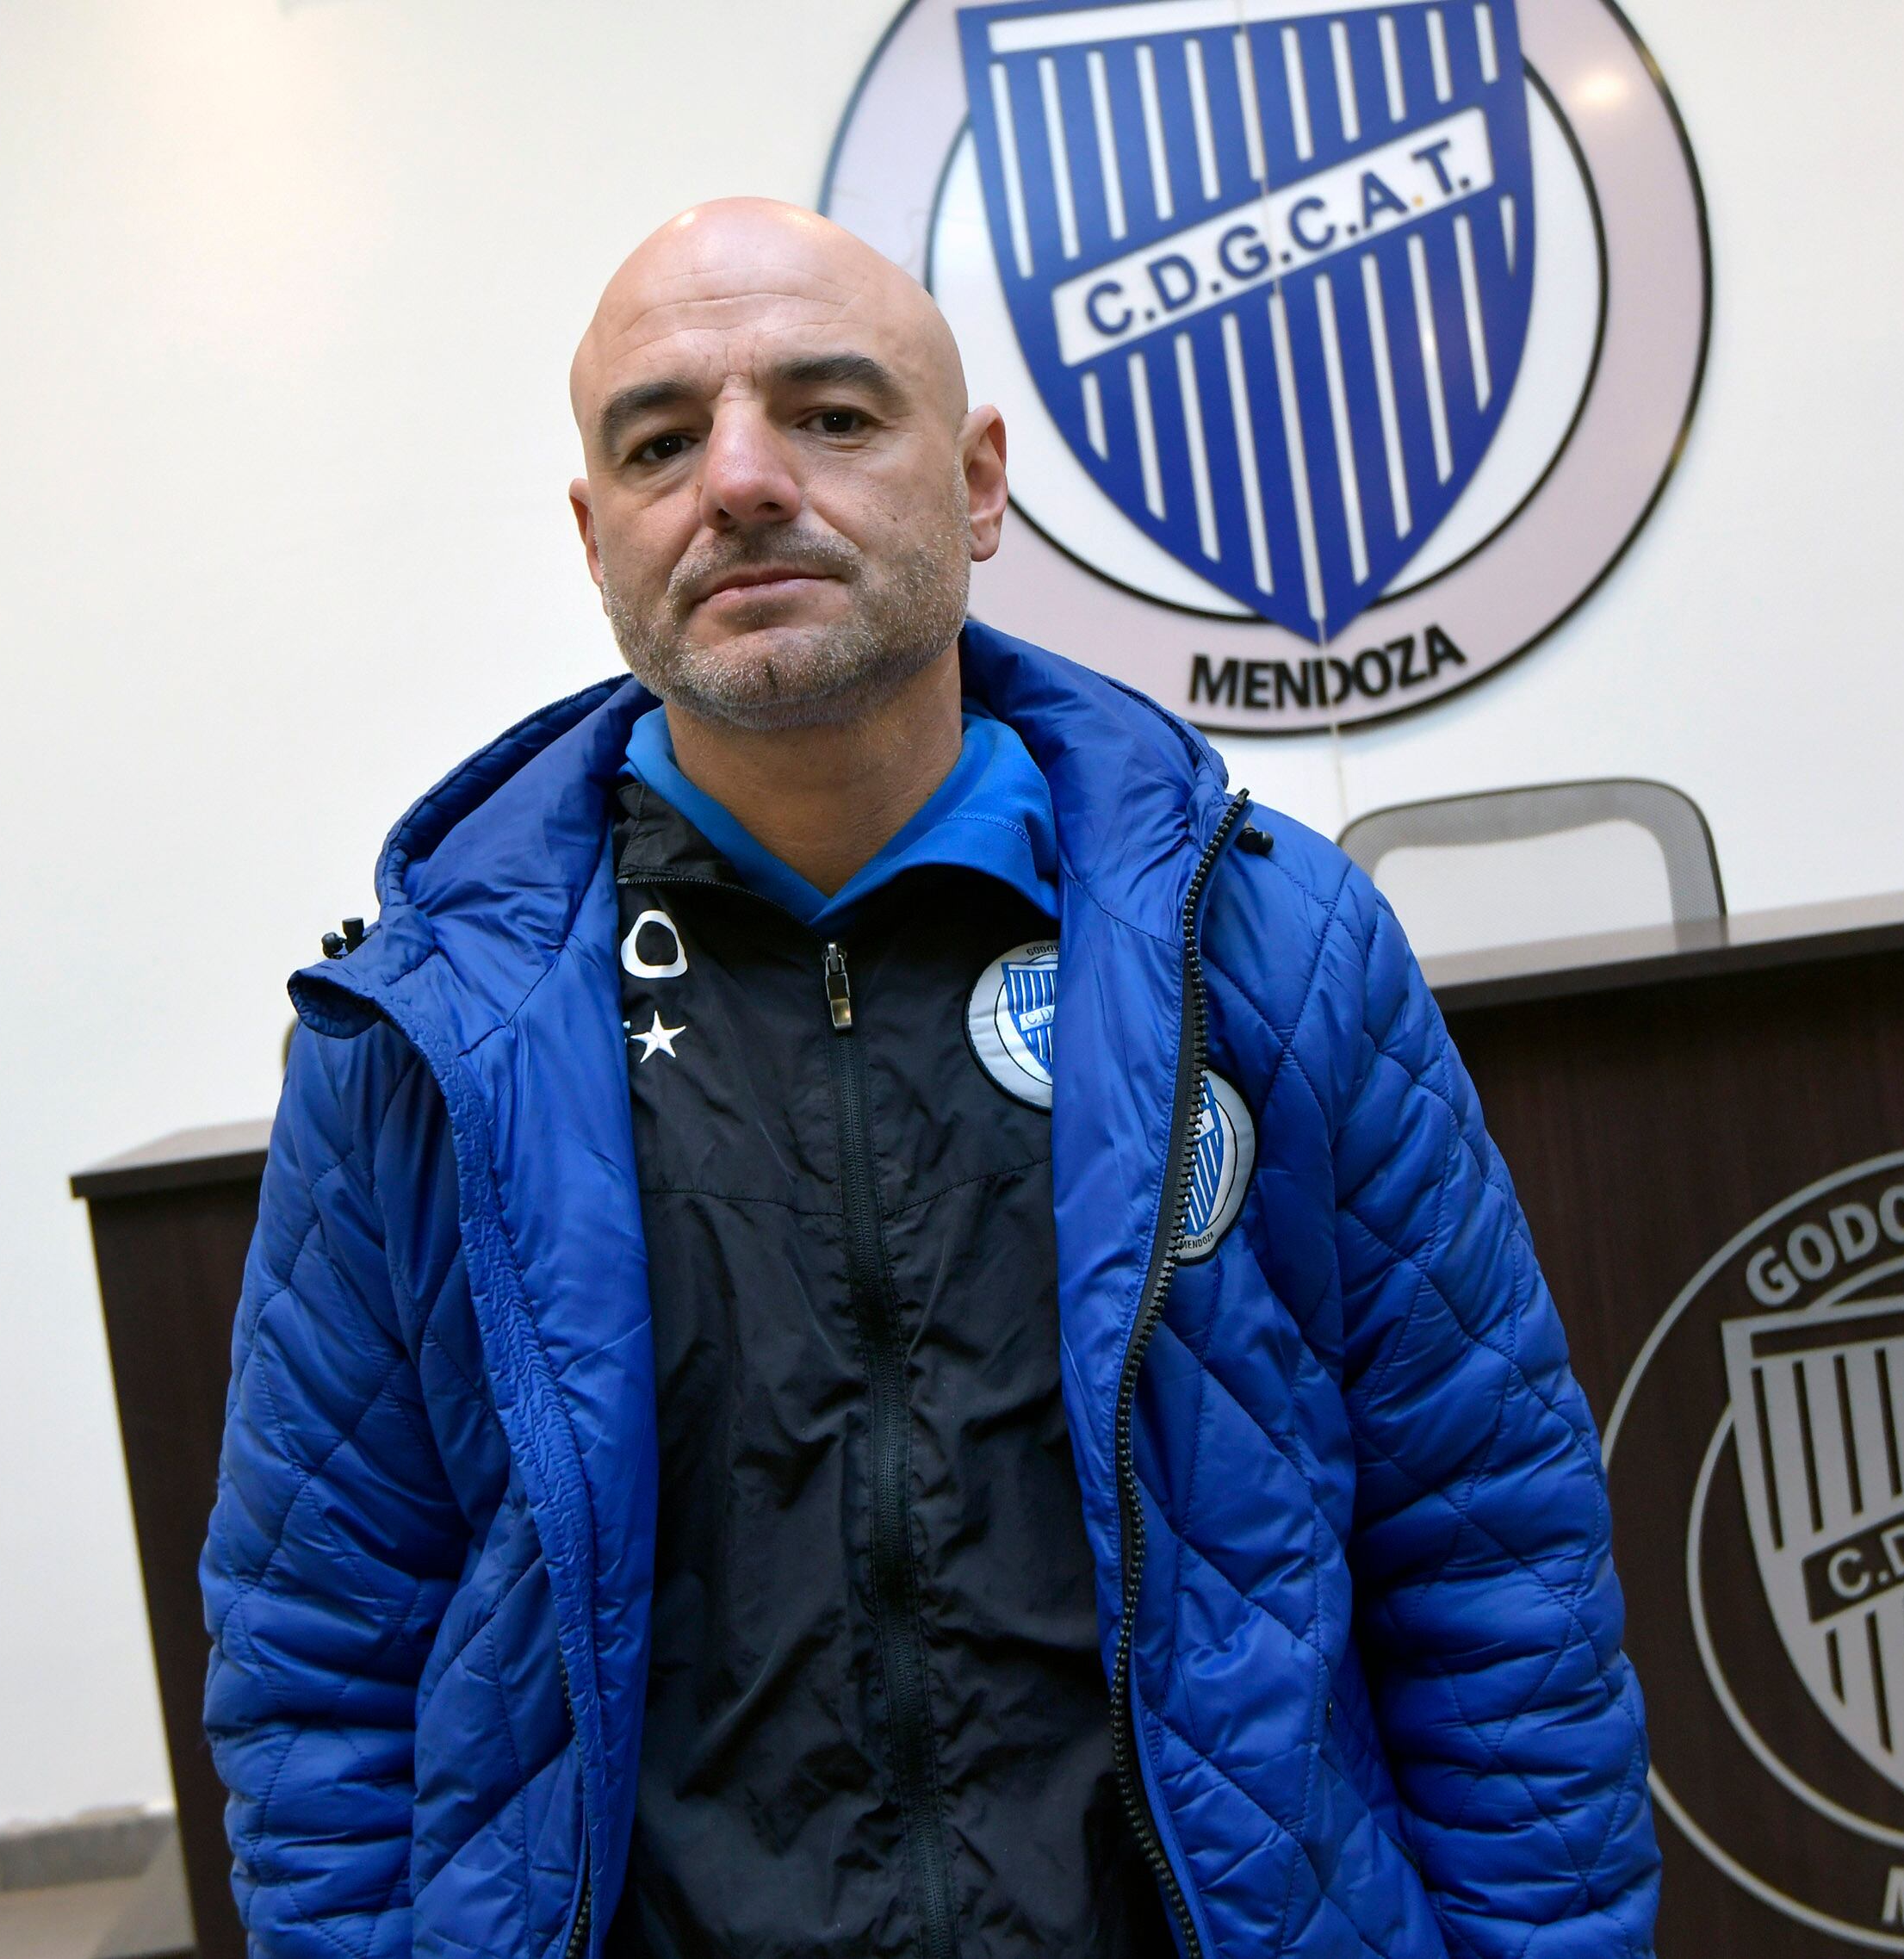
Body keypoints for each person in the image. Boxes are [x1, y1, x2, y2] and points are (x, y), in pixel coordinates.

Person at [201, 198, 1658, 1959]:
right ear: (595, 538)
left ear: (976, 484)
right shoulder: (424, 1038)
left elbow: (1492, 1559)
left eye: (827, 413)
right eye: (660, 441)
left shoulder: (1267, 956)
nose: (737, 479)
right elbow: (323, 1666)